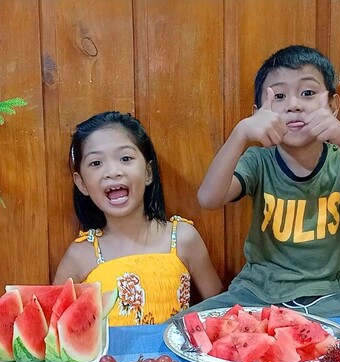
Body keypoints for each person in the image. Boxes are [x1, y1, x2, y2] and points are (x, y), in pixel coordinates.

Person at [182, 45, 340, 341]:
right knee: (181, 333)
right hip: (255, 294)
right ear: (258, 114)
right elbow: (208, 199)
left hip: (329, 298)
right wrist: (241, 134)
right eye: (278, 96)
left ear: (333, 105)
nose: (294, 105)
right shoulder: (258, 161)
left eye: (308, 93)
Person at [54, 111, 223, 326]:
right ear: (82, 184)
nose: (112, 171)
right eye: (96, 163)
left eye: (125, 158)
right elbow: (56, 328)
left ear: (148, 173)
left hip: (175, 360)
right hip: (108, 361)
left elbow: (219, 313)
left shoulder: (183, 237)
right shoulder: (79, 255)